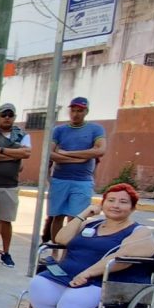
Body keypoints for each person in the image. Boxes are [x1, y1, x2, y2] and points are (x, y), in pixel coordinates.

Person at [28, 183, 154, 308]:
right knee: (38, 286)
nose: (116, 205)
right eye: (110, 200)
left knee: (72, 301)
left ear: (133, 207)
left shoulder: (139, 232)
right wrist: (84, 214)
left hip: (105, 282)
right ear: (102, 204)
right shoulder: (91, 224)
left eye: (123, 202)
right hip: (68, 275)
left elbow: (122, 258)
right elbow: (61, 239)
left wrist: (88, 273)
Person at [48, 96, 106, 241]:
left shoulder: (95, 129)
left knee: (76, 218)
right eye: (73, 110)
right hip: (60, 179)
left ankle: (68, 252)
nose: (75, 114)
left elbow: (100, 150)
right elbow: (50, 153)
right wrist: (82, 158)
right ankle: (55, 250)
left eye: (79, 111)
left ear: (86, 111)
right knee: (57, 216)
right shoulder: (59, 130)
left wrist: (67, 153)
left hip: (82, 181)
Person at [0, 103, 32, 268]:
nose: (6, 118)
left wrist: (2, 150)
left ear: (14, 117)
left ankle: (6, 252)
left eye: (10, 115)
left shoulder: (22, 135)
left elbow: (26, 153)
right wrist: (14, 155)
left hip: (10, 185)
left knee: (6, 220)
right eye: (3, 114)